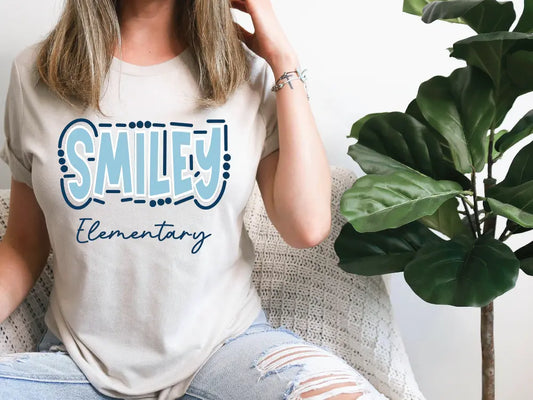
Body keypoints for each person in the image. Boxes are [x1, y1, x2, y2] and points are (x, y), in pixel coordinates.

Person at [0, 0, 388, 399]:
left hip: (226, 354)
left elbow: (306, 226)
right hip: (78, 367)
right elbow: (24, 244)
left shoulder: (247, 73)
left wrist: (283, 61)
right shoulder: (37, 74)